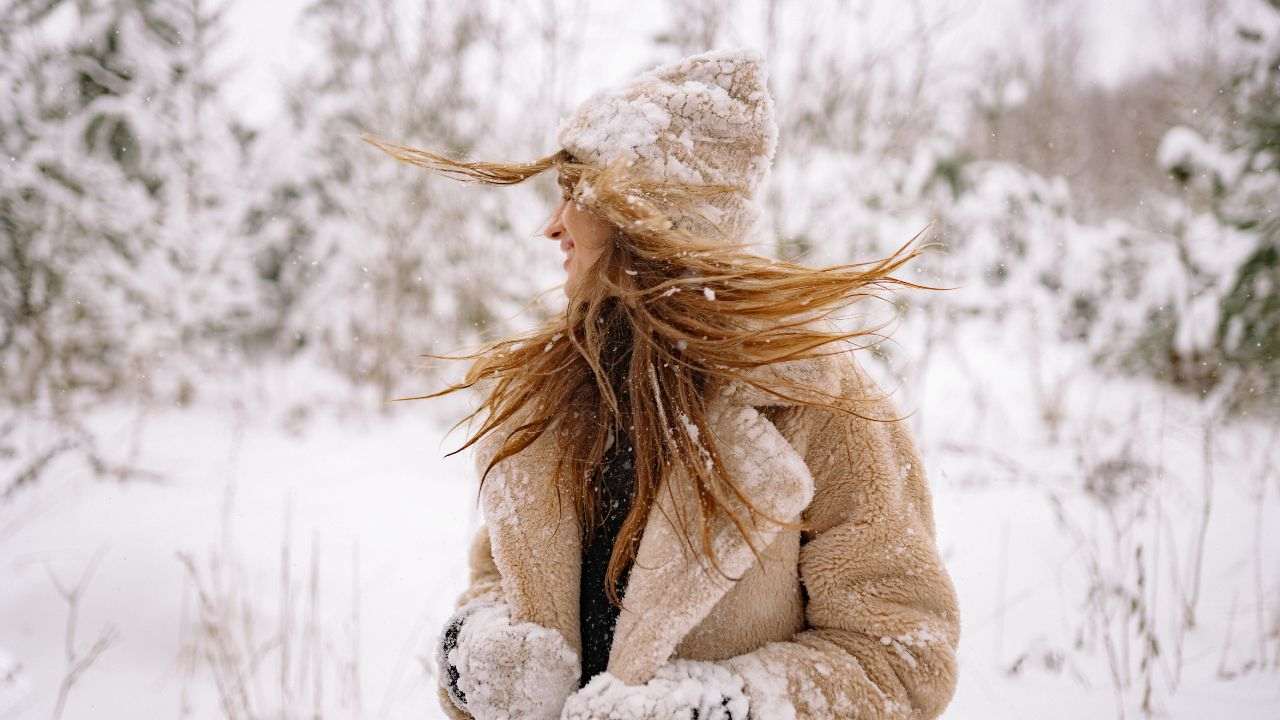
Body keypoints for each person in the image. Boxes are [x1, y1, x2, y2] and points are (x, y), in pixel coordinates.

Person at [365, 47, 961, 720]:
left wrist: (719, 708)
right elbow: (493, 585)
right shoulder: (553, 399)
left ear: (652, 216)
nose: (552, 226)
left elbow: (903, 656)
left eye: (574, 195)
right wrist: (479, 657)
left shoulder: (820, 407)